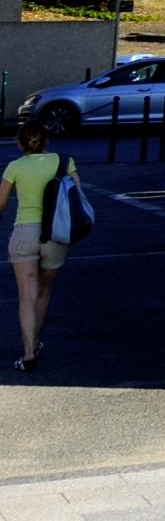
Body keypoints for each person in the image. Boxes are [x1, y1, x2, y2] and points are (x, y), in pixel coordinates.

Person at [5, 120, 72, 373]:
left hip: (25, 232)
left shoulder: (15, 167)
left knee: (26, 295)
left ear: (21, 143)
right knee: (44, 291)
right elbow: (76, 193)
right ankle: (37, 340)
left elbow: (0, 202)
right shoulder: (64, 162)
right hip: (56, 234)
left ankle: (29, 352)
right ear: (46, 141)